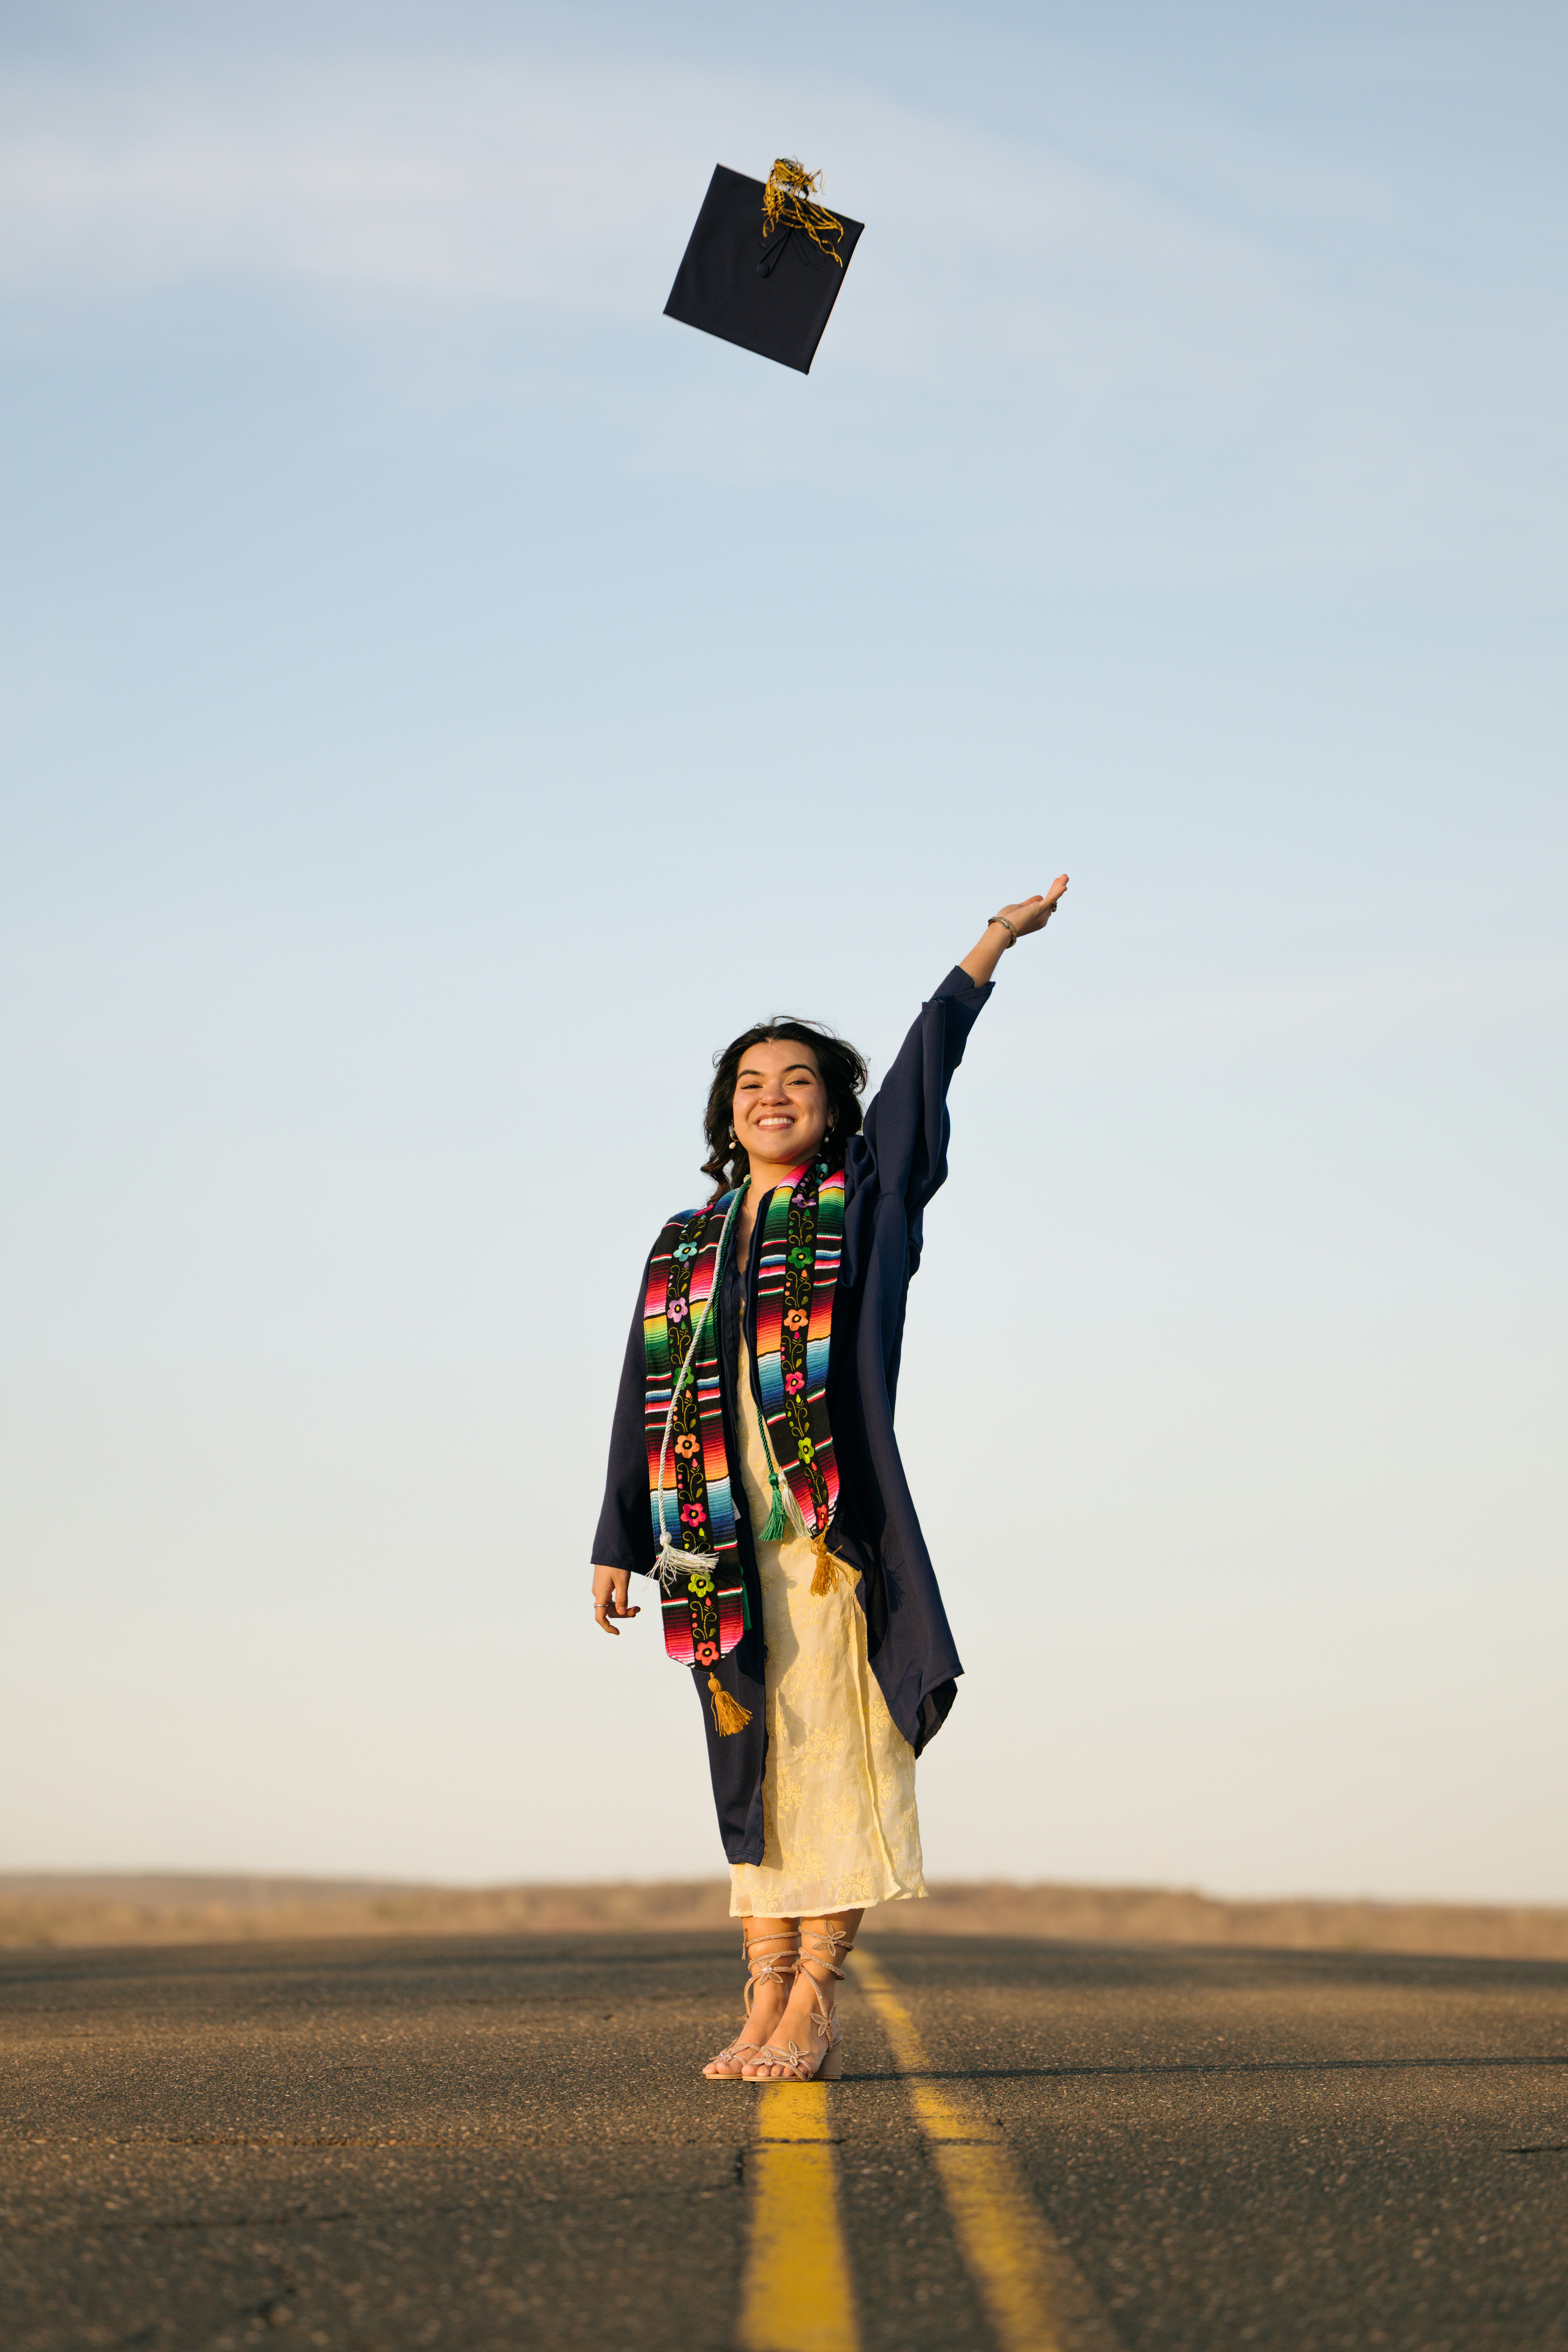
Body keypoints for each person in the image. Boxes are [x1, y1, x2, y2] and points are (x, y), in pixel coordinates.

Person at [590, 884, 1069, 2080]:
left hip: (826, 1529)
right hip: (704, 1535)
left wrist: (987, 950)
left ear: (833, 1106)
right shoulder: (683, 1242)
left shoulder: (862, 1207)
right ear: (725, 1113)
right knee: (748, 1752)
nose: (771, 1098)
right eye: (752, 1084)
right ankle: (758, 1988)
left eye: (797, 1081)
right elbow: (639, 1398)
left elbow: (917, 1087)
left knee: (835, 1746)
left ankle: (813, 1994)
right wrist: (617, 1539)